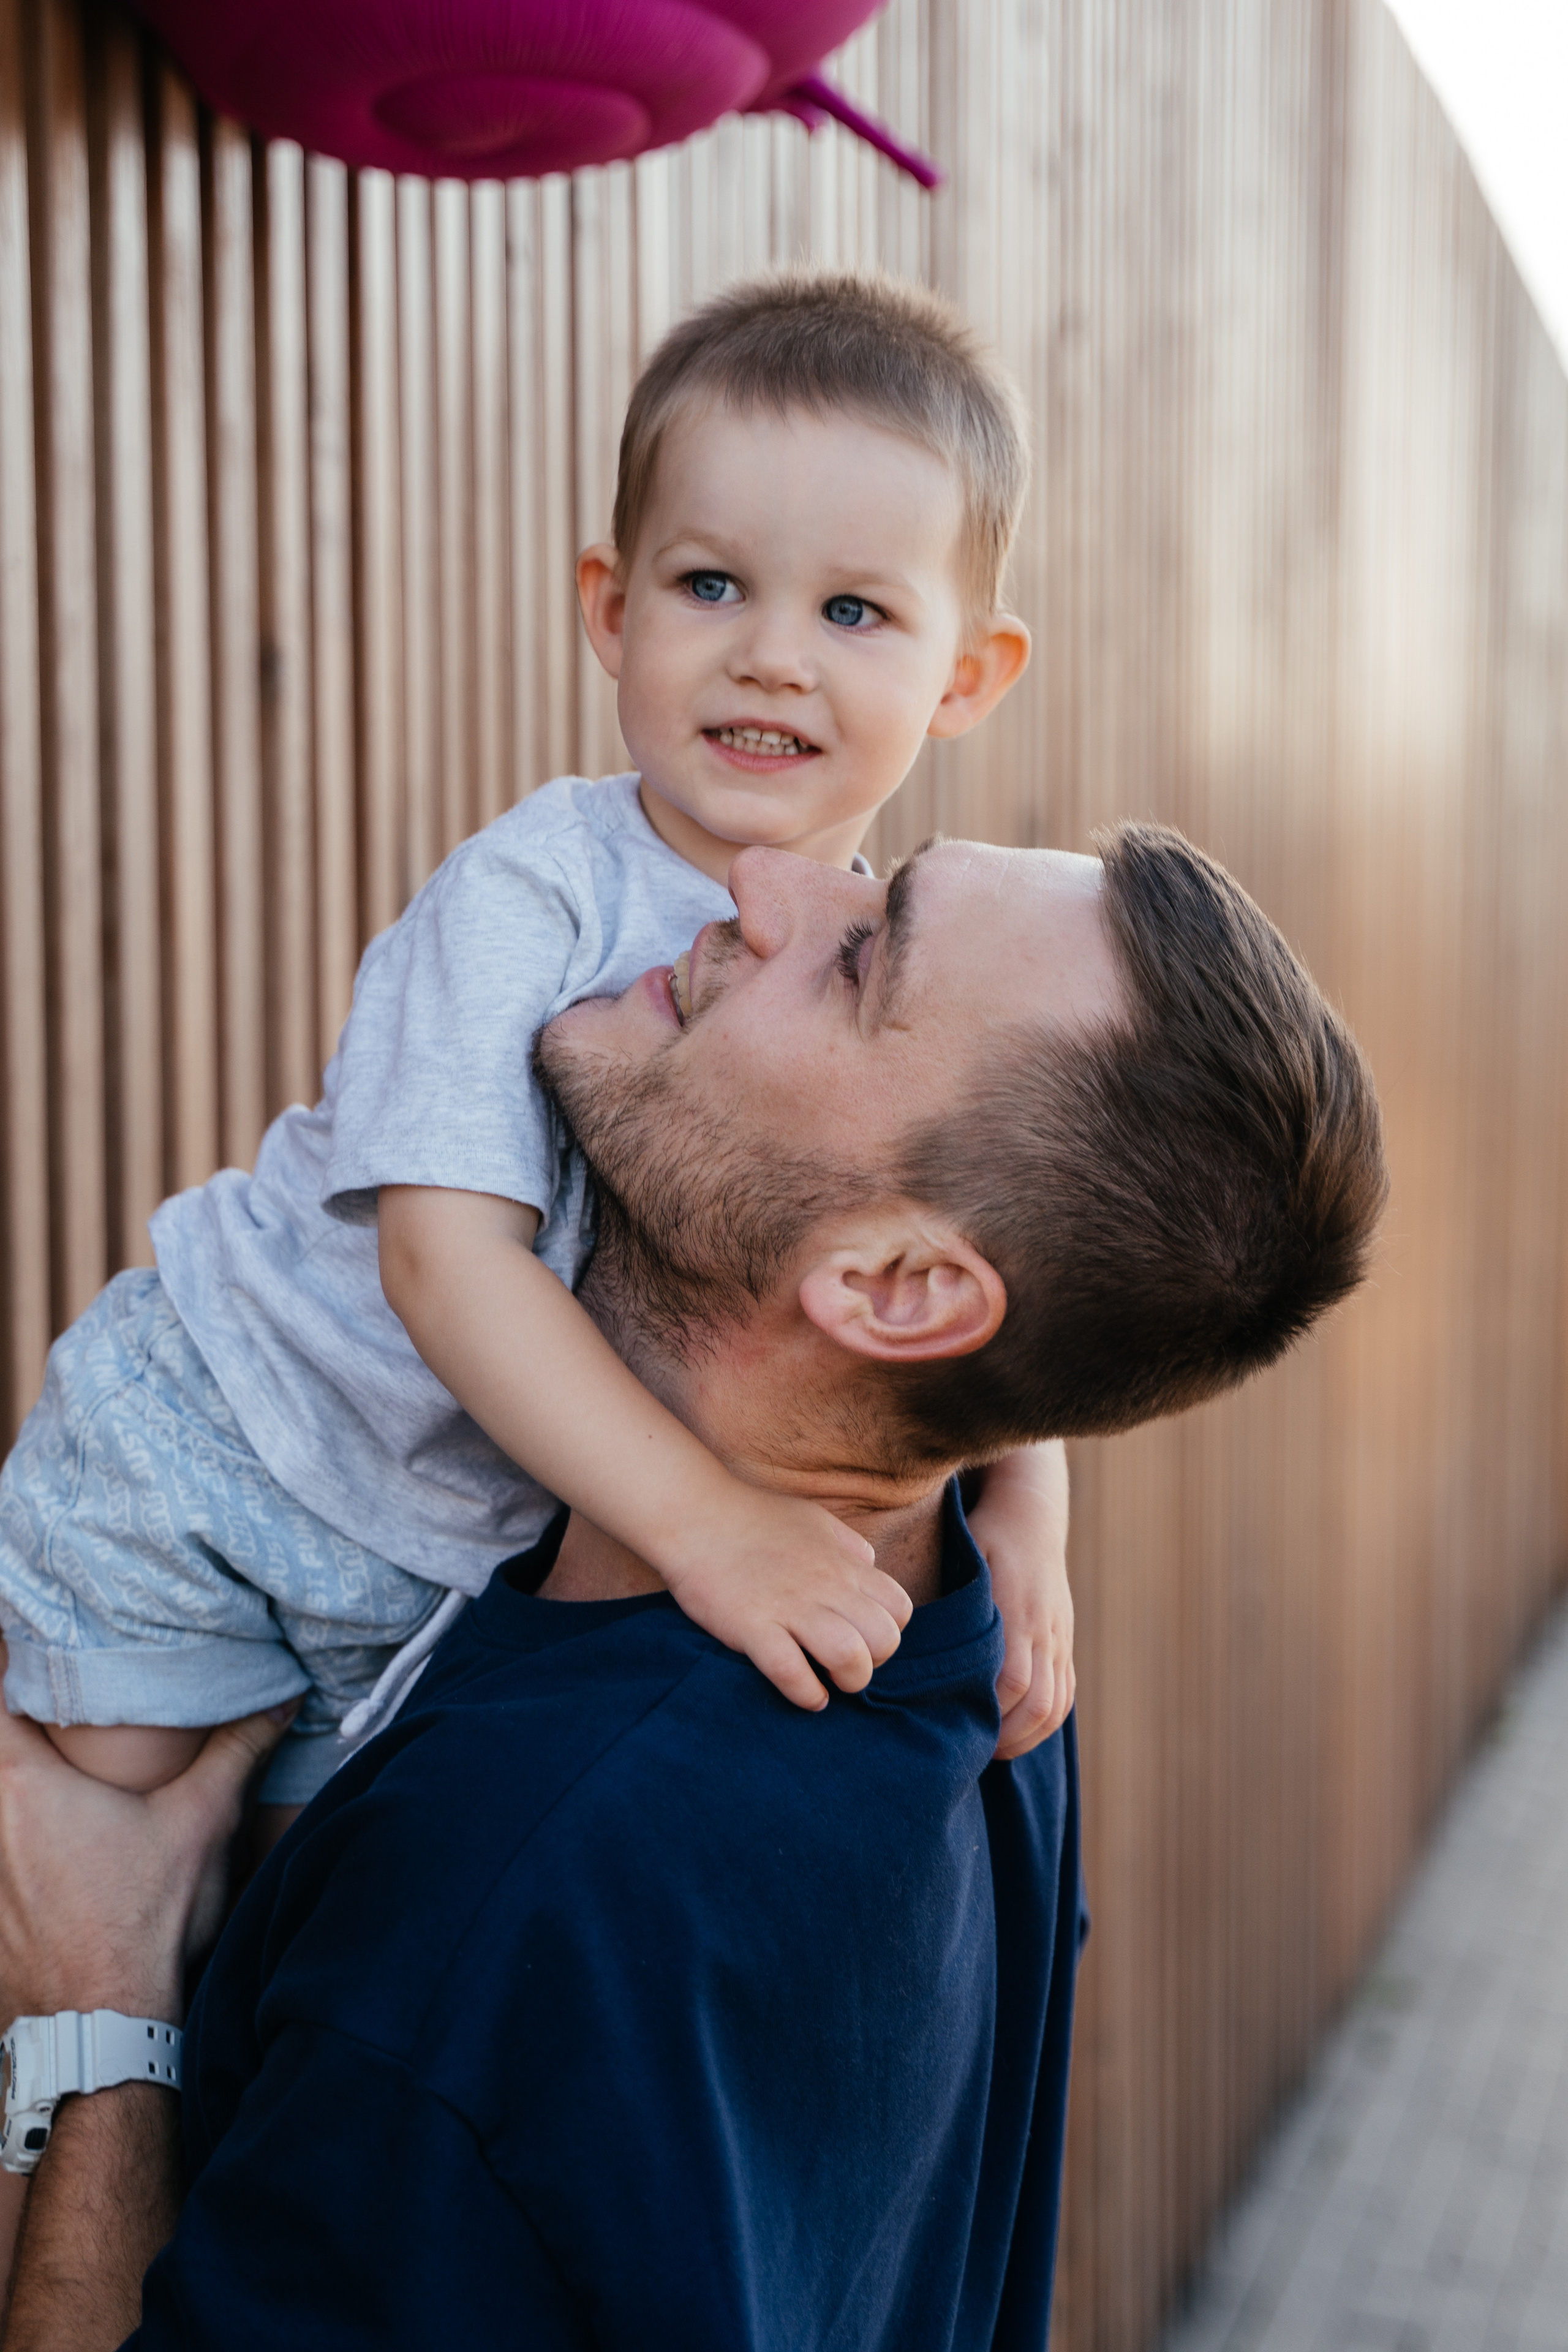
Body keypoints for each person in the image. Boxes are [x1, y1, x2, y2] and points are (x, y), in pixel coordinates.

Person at [0, 824, 1387, 2349]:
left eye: (863, 954)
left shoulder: (522, 1899)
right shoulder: (971, 1673)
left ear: (894, 1289)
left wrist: (96, 2003)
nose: (761, 881)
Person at [0, 269, 1074, 1856]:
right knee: (97, 1872)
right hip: (225, 1456)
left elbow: (966, 1210)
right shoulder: (534, 891)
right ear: (610, 609)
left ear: (967, 676)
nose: (773, 657)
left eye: (852, 611)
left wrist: (1028, 1515)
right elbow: (446, 1265)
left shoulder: (895, 971)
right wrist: (706, 1522)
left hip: (445, 1564)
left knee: (301, 1960)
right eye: (712, 585)